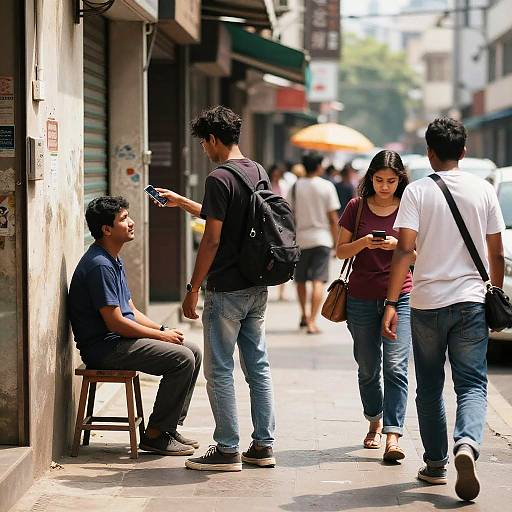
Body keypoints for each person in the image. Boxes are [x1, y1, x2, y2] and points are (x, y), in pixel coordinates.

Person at [381, 118, 505, 501]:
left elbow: (404, 249)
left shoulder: (417, 192)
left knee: (430, 385)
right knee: (472, 383)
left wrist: (390, 302)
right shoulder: (483, 190)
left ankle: (435, 464)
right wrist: (494, 291)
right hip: (470, 301)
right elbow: (496, 251)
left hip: (425, 304)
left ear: (430, 152)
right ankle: (466, 444)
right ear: (464, 152)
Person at [154, 106, 276, 472]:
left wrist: (193, 287)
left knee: (219, 370)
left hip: (226, 289)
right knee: (258, 366)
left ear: (211, 139)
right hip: (257, 285)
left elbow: (212, 239)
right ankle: (263, 445)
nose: (204, 151)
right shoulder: (257, 171)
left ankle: (226, 449)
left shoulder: (219, 178)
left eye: (203, 144)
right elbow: (228, 216)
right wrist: (183, 202)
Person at [68, 196, 202, 456]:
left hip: (118, 342)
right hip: (105, 349)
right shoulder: (99, 265)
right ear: (106, 229)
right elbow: (116, 322)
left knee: (192, 350)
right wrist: (160, 337)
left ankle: (167, 427)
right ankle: (154, 436)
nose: (131, 223)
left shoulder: (112, 258)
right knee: (183, 359)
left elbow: (131, 310)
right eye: (123, 219)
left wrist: (163, 331)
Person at [336, 150, 413, 461]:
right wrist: (364, 242)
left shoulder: (410, 207)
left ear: (400, 180)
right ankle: (374, 421)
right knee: (368, 368)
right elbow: (340, 252)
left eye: (391, 181)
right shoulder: (355, 207)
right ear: (370, 179)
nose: (385, 186)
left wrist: (400, 248)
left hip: (402, 296)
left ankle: (392, 435)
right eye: (379, 180)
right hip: (361, 297)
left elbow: (422, 256)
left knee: (396, 366)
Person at [289, 152, 340, 334]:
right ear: (319, 166)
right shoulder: (326, 187)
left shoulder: (295, 187)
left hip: (300, 240)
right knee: (318, 280)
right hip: (322, 239)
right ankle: (312, 320)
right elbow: (333, 218)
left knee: (301, 280)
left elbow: (288, 214)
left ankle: (303, 314)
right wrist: (337, 243)